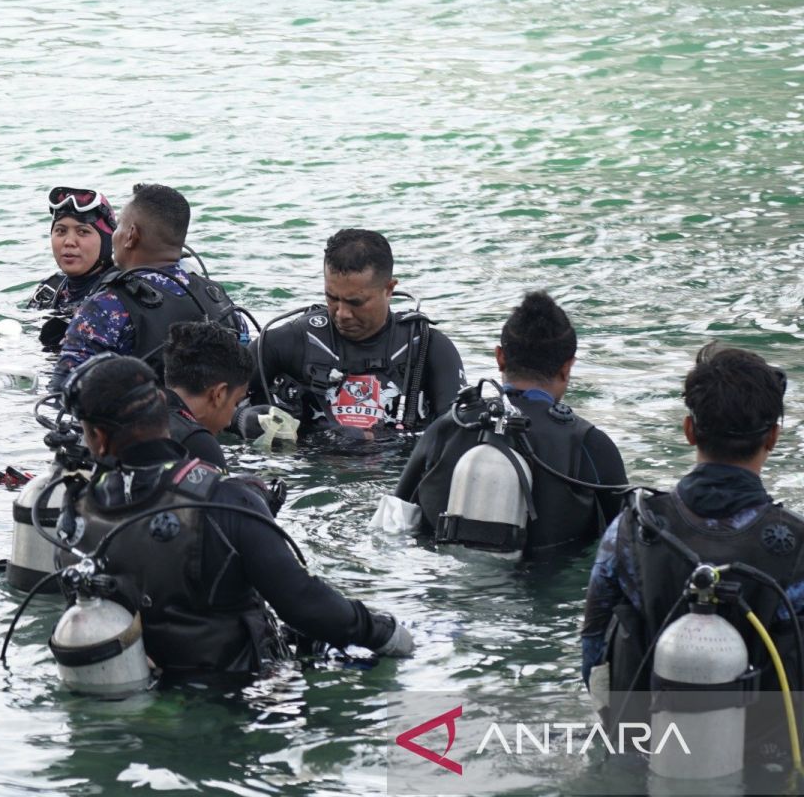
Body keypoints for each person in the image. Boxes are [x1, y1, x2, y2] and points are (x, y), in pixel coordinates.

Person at [52, 355, 414, 676]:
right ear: (164, 404)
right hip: (238, 691)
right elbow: (303, 603)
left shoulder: (75, 511)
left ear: (97, 437)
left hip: (143, 689)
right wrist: (385, 633)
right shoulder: (225, 498)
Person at [581, 343, 802, 748]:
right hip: (766, 755)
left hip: (649, 750)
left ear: (689, 430)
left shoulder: (631, 529)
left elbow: (593, 653)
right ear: (772, 437)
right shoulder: (799, 546)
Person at [394, 291, 627, 556]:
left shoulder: (447, 427)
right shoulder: (590, 445)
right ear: (567, 367)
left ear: (500, 357)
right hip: (543, 590)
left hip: (443, 586)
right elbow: (628, 544)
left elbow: (392, 524)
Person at [241, 229, 464, 443]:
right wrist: (242, 420)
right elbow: (215, 400)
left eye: (355, 302)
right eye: (332, 298)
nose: (342, 314)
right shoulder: (287, 342)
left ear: (389, 289)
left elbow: (457, 433)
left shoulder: (428, 347)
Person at [48, 183, 246, 392]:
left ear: (131, 235)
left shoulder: (106, 306)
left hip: (140, 423)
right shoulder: (218, 298)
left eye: (120, 227)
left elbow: (62, 393)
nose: (115, 235)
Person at [27, 186, 117, 349]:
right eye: (60, 231)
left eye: (82, 232)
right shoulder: (49, 289)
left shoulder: (117, 296)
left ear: (107, 241)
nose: (69, 241)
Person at [161, 320, 254, 470]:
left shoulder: (137, 411)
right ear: (219, 394)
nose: (229, 422)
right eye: (236, 402)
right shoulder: (198, 444)